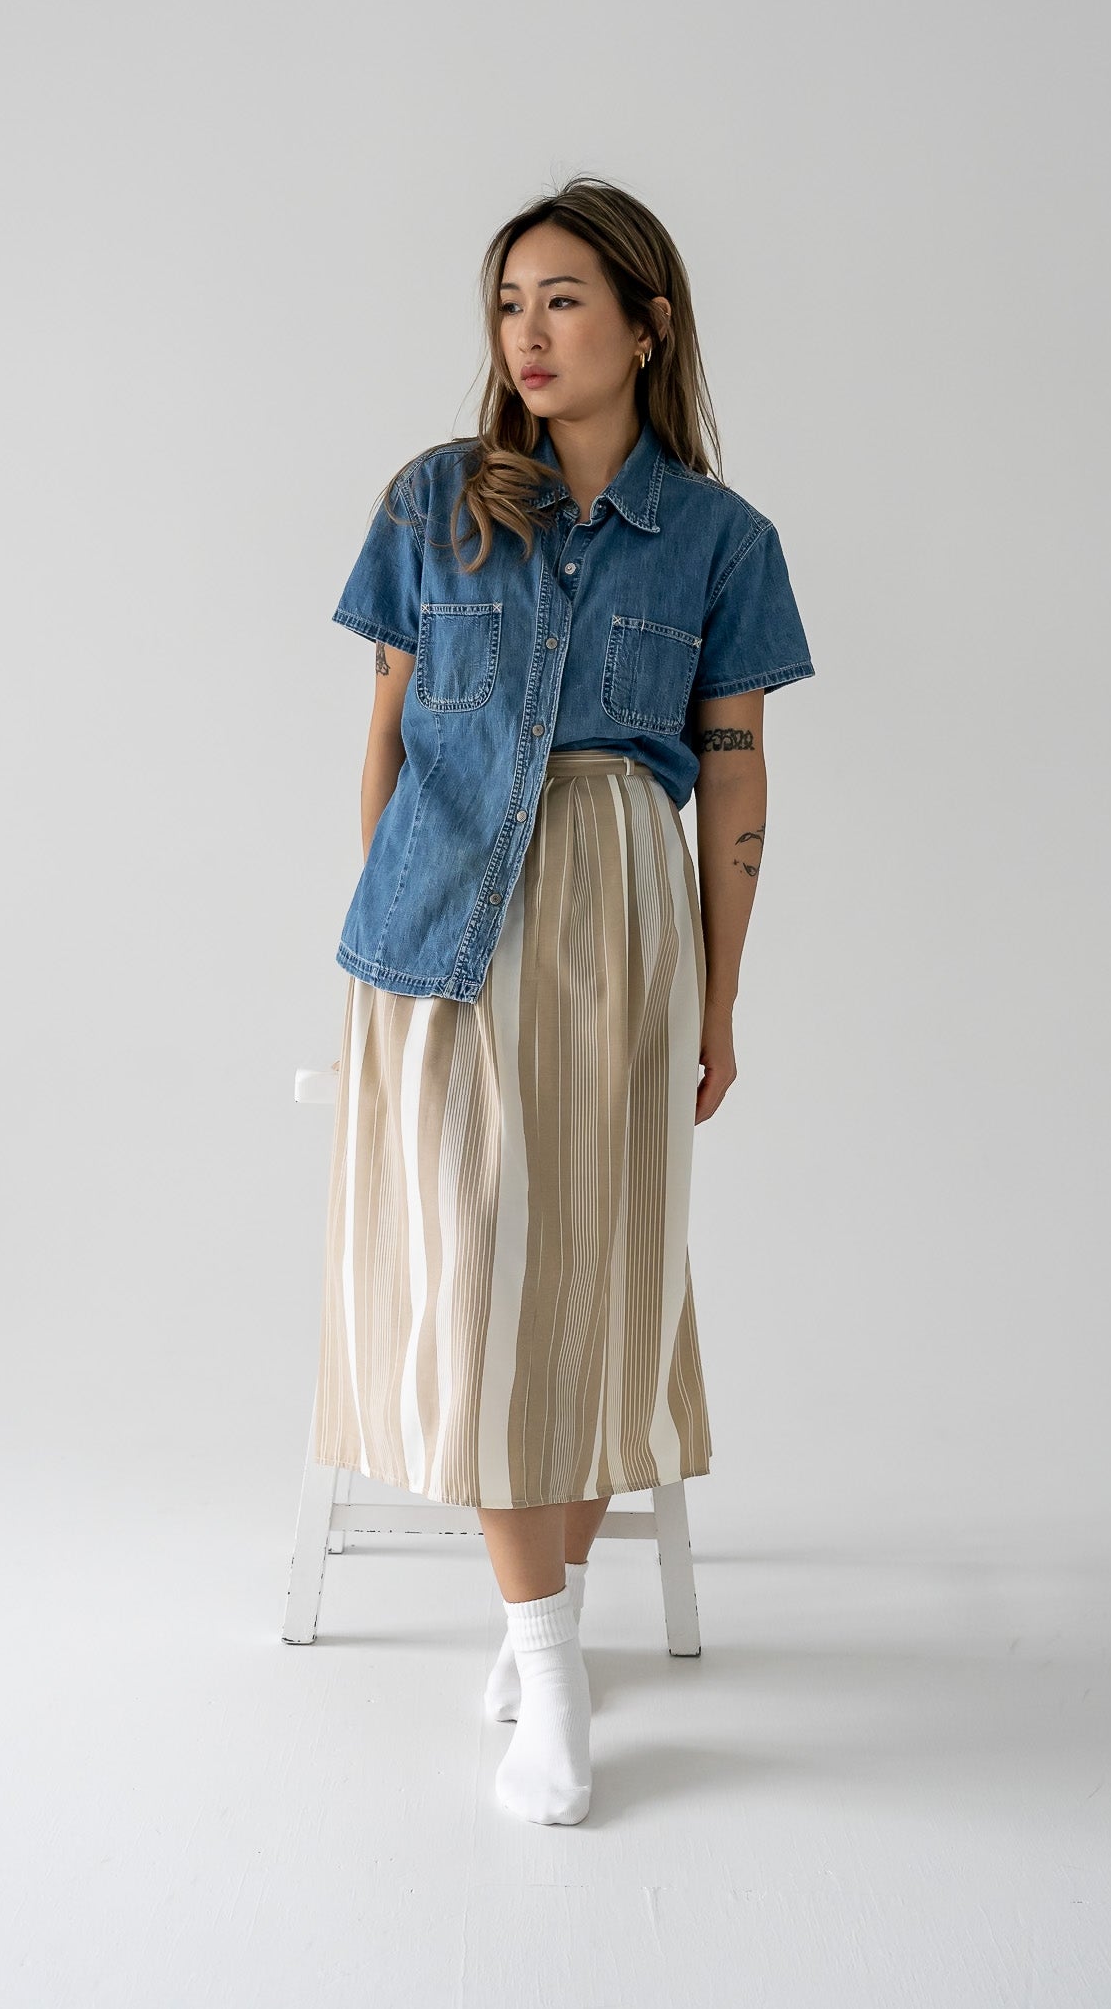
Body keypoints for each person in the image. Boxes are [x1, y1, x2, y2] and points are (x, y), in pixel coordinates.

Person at [306, 176, 815, 1826]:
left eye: (564, 300)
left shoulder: (722, 540)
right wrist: (393, 923)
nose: (526, 333)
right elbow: (383, 735)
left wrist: (721, 1000)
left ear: (647, 322)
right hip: (444, 924)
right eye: (508, 303)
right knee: (477, 1277)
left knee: (592, 1278)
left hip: (614, 913)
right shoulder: (432, 503)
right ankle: (550, 1652)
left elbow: (733, 784)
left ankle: (542, 1634)